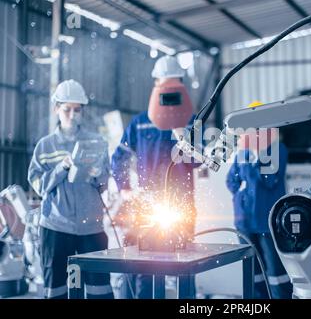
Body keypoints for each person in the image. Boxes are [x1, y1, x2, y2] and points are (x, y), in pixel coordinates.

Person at [111, 56, 199, 299]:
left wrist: (183, 135)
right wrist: (125, 189)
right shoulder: (139, 124)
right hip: (147, 208)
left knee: (185, 266)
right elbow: (119, 157)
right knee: (144, 267)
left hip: (182, 207)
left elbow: (200, 161)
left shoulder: (192, 123)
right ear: (156, 84)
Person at [28, 79, 113, 299]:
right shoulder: (45, 146)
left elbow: (105, 184)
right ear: (56, 108)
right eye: (67, 109)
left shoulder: (97, 142)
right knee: (56, 288)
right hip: (56, 228)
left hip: (91, 229)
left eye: (77, 110)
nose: (72, 115)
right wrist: (62, 167)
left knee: (99, 288)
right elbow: (38, 185)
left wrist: (98, 174)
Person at [226, 102, 292, 299]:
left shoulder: (278, 150)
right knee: (253, 273)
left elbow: (270, 180)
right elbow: (231, 180)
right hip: (244, 222)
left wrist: (256, 159)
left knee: (275, 272)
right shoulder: (242, 152)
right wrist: (243, 195)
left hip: (267, 222)